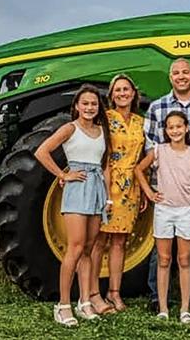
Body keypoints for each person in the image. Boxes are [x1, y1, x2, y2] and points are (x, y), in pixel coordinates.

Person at [34, 84, 112, 327]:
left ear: (98, 107)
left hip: (97, 189)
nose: (90, 107)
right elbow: (42, 151)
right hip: (77, 188)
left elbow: (105, 165)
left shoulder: (102, 131)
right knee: (75, 247)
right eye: (85, 103)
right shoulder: (70, 128)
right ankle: (63, 305)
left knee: (89, 248)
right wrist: (63, 174)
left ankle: (84, 302)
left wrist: (107, 198)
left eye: (94, 104)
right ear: (77, 106)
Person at [144, 58, 190, 308]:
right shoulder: (157, 107)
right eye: (176, 73)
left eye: (185, 72)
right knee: (160, 246)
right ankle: (156, 295)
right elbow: (150, 145)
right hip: (165, 188)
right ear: (170, 77)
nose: (181, 76)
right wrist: (152, 188)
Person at [135, 111, 190, 324]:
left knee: (184, 259)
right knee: (164, 259)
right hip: (164, 210)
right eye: (170, 127)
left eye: (178, 126)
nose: (175, 130)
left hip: (187, 210)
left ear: (186, 129)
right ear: (166, 131)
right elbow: (138, 170)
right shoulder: (159, 151)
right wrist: (149, 192)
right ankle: (163, 308)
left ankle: (185, 309)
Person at [88, 74, 147, 313]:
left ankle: (114, 292)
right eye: (118, 90)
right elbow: (101, 156)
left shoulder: (140, 122)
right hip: (109, 184)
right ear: (111, 95)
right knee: (99, 241)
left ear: (134, 93)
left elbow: (142, 159)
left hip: (131, 187)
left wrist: (142, 191)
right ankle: (92, 292)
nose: (122, 93)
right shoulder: (106, 120)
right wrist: (106, 194)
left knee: (120, 242)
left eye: (126, 89)